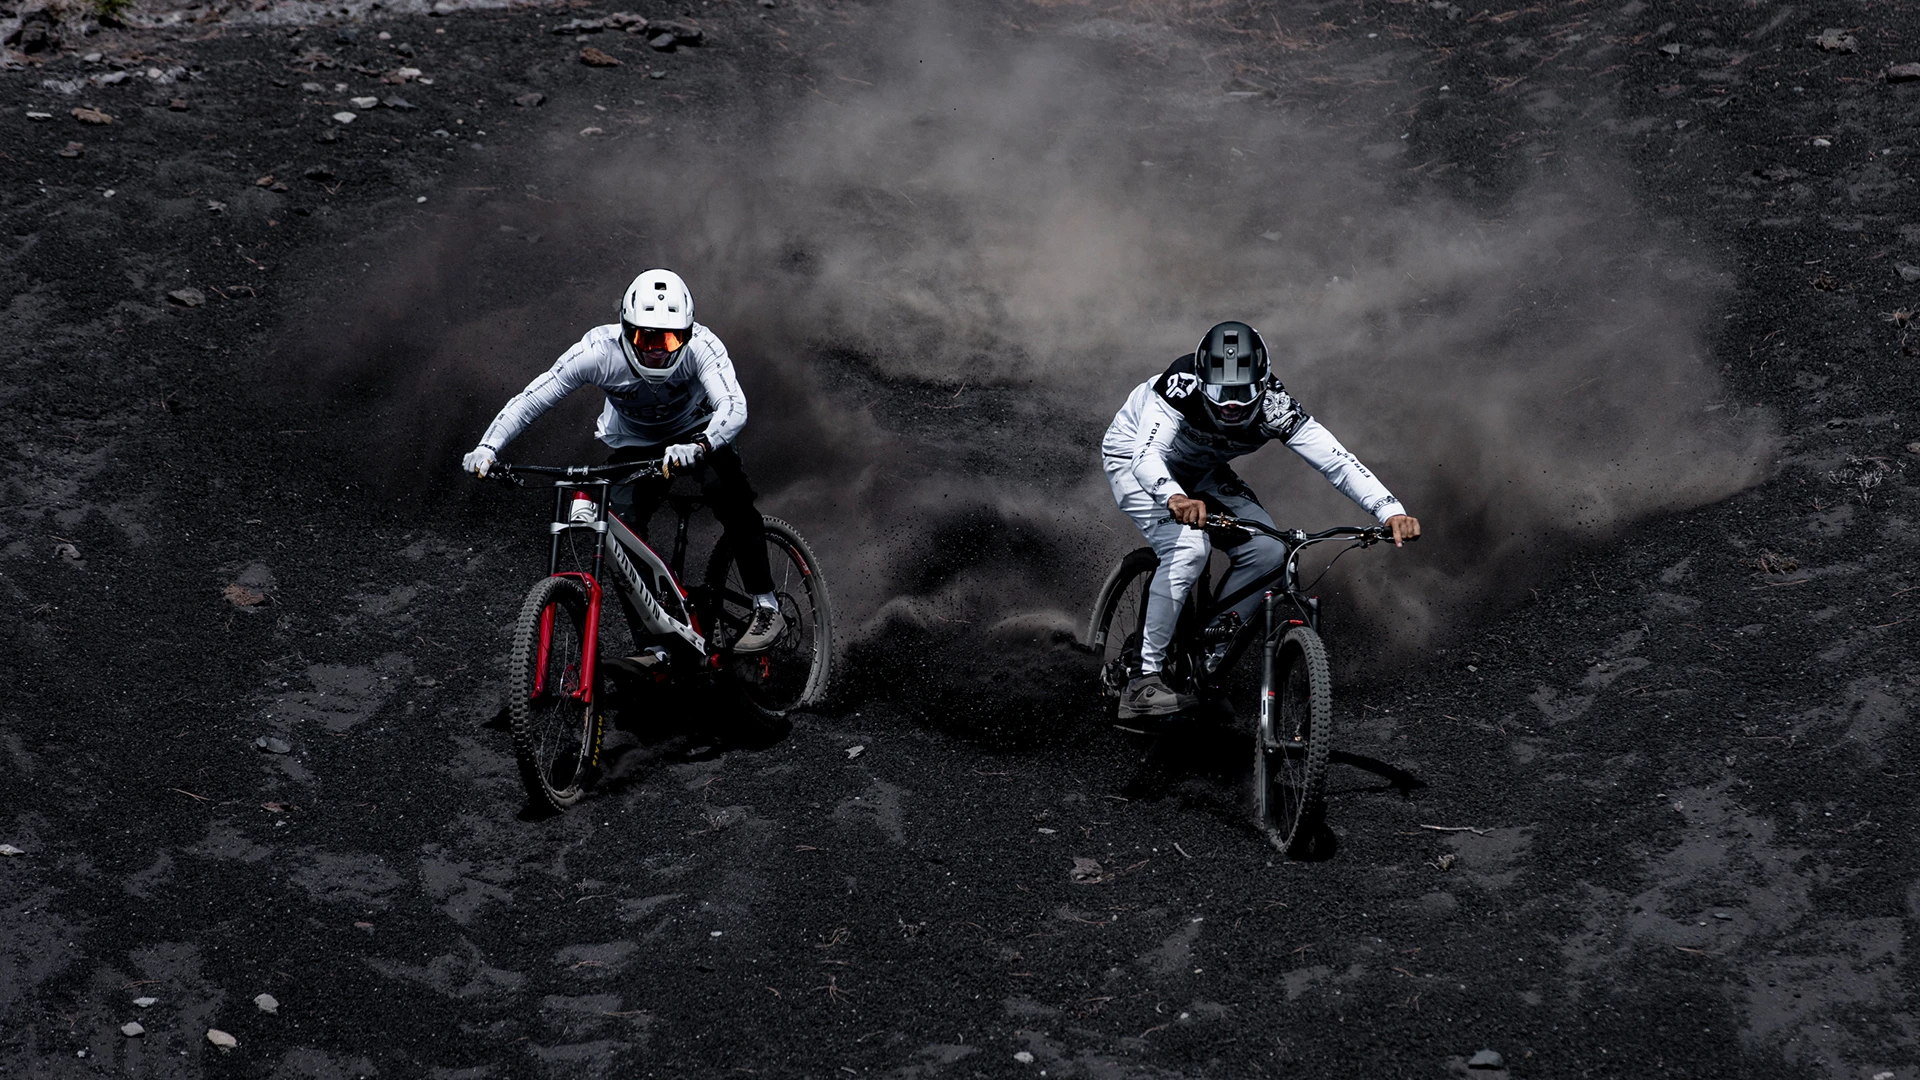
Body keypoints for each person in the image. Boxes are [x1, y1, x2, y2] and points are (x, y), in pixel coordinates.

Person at [1101, 320, 1420, 720]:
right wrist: (1173, 496)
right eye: (1220, 392)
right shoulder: (1178, 388)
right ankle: (1142, 681)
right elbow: (1147, 457)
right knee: (1188, 547)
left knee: (1272, 552)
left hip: (1201, 472)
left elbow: (1337, 462)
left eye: (1243, 392)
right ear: (1201, 381)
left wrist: (1390, 511)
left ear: (1263, 382)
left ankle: (1206, 667)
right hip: (1135, 460)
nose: (1231, 404)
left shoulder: (1276, 407)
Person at [462, 269, 786, 653]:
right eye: (645, 336)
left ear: (687, 331)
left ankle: (766, 604)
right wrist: (488, 447)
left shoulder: (703, 346)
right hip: (636, 446)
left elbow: (733, 408)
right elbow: (534, 397)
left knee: (725, 487)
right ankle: (655, 641)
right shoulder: (597, 352)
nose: (657, 348)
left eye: (670, 337)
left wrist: (700, 445)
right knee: (619, 525)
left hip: (698, 435)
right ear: (625, 328)